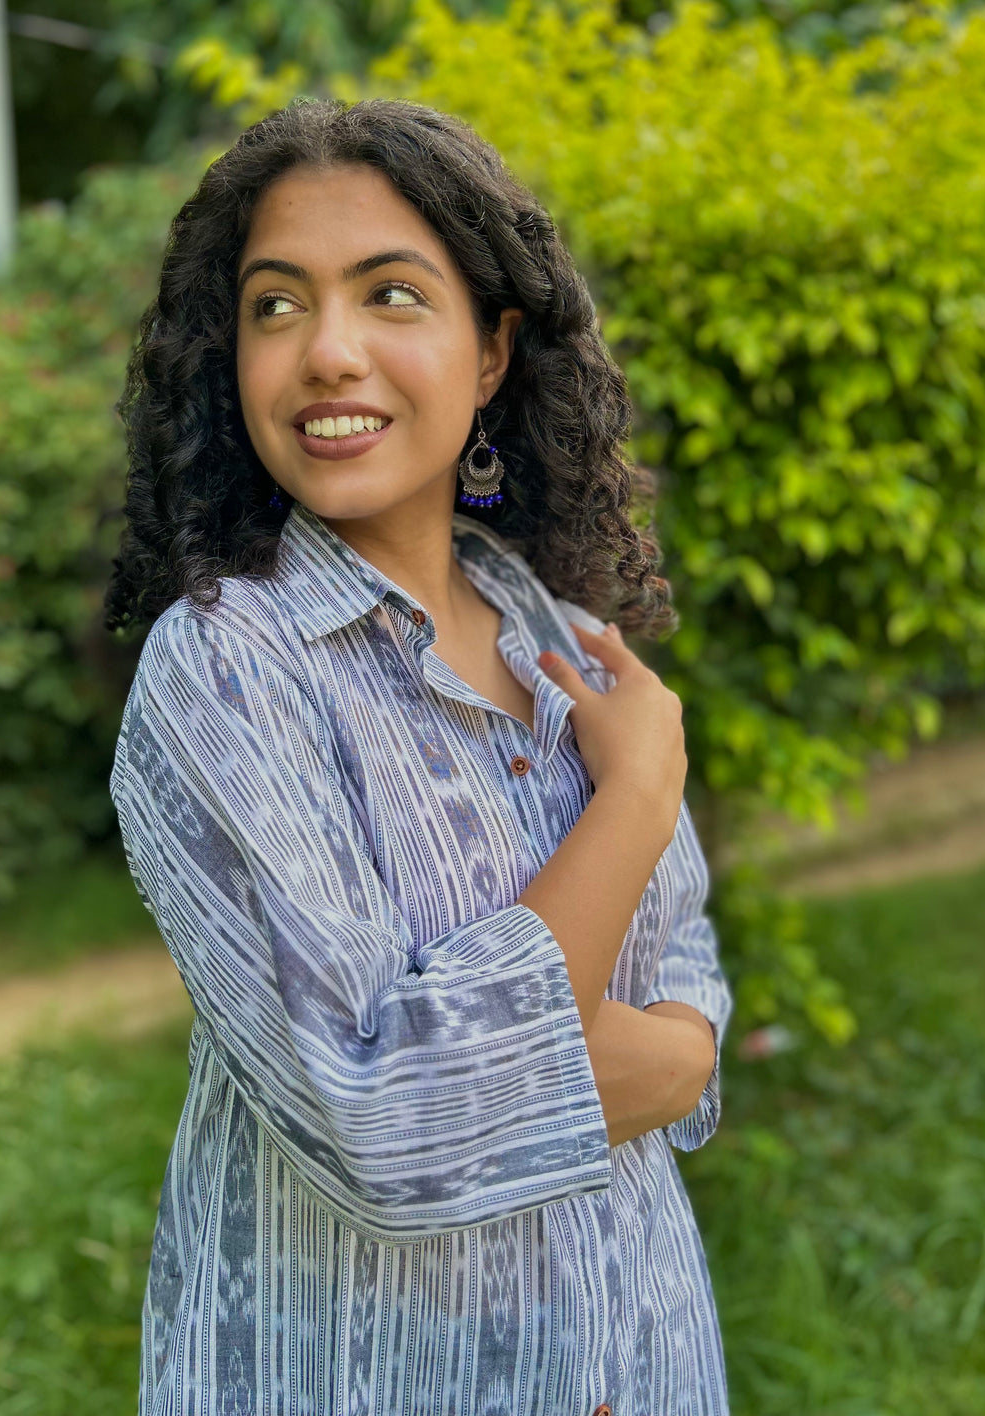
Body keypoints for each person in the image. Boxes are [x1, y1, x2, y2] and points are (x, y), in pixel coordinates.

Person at [104, 96, 734, 1416]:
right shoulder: (229, 665)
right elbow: (390, 1116)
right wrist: (636, 792)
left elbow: (686, 988)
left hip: (648, 1355)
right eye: (275, 306)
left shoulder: (559, 636)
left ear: (493, 350)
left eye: (391, 294)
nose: (327, 351)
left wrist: (603, 1058)